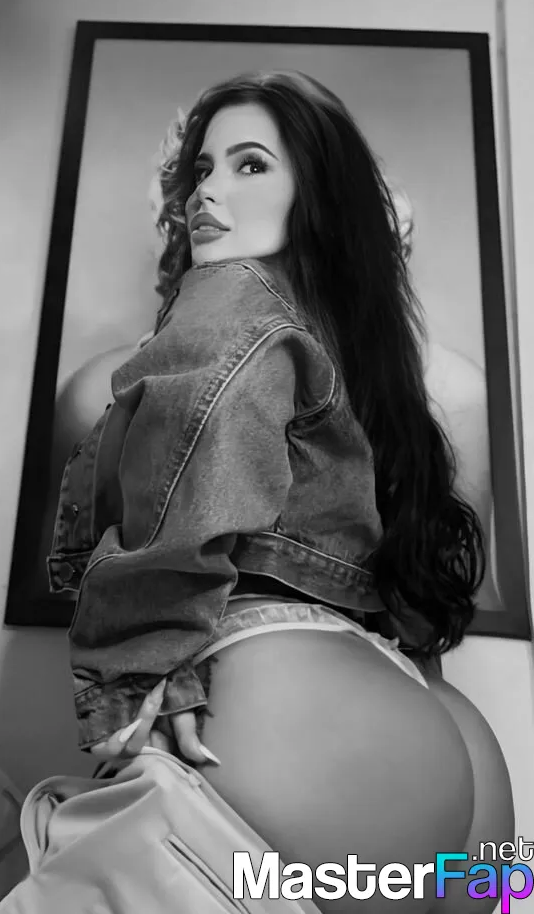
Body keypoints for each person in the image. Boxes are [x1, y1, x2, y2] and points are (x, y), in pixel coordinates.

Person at [48, 71, 514, 913]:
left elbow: (188, 482)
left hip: (275, 729)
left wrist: (135, 671)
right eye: (201, 169)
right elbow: (421, 620)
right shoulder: (399, 381)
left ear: (321, 202)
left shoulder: (225, 306)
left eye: (250, 165)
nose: (207, 192)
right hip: (457, 764)